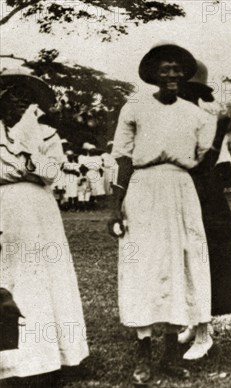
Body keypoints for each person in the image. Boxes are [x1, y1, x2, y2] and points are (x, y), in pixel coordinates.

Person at [107, 42, 215, 385]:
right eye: (165, 69)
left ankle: (170, 355)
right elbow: (123, 158)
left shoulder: (198, 115)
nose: (172, 75)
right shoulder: (135, 107)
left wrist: (223, 128)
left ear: (185, 75)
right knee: (144, 267)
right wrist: (115, 207)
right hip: (143, 189)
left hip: (181, 190)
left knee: (180, 266)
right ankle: (143, 354)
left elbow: (205, 164)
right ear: (153, 73)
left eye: (177, 69)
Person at [0, 68, 89, 384]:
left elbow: (51, 172)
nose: (19, 105)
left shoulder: (46, 135)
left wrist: (24, 158)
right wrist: (24, 168)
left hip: (39, 213)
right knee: (9, 279)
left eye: (26, 100)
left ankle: (52, 357)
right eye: (12, 97)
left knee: (45, 278)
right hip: (4, 213)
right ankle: (11, 363)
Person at [176, 59, 231, 360]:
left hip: (205, 193)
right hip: (175, 190)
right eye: (182, 88)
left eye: (193, 90)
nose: (185, 94)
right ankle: (191, 321)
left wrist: (219, 132)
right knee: (181, 255)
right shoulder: (169, 115)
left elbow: (212, 165)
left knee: (207, 256)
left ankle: (204, 331)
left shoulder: (207, 119)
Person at [79, 142, 105, 206]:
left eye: (94, 150)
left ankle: (97, 202)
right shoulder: (86, 158)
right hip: (89, 173)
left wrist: (101, 175)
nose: (92, 151)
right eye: (91, 150)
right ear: (89, 151)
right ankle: (90, 203)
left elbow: (100, 166)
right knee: (89, 188)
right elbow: (83, 166)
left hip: (96, 173)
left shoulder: (98, 157)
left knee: (97, 188)